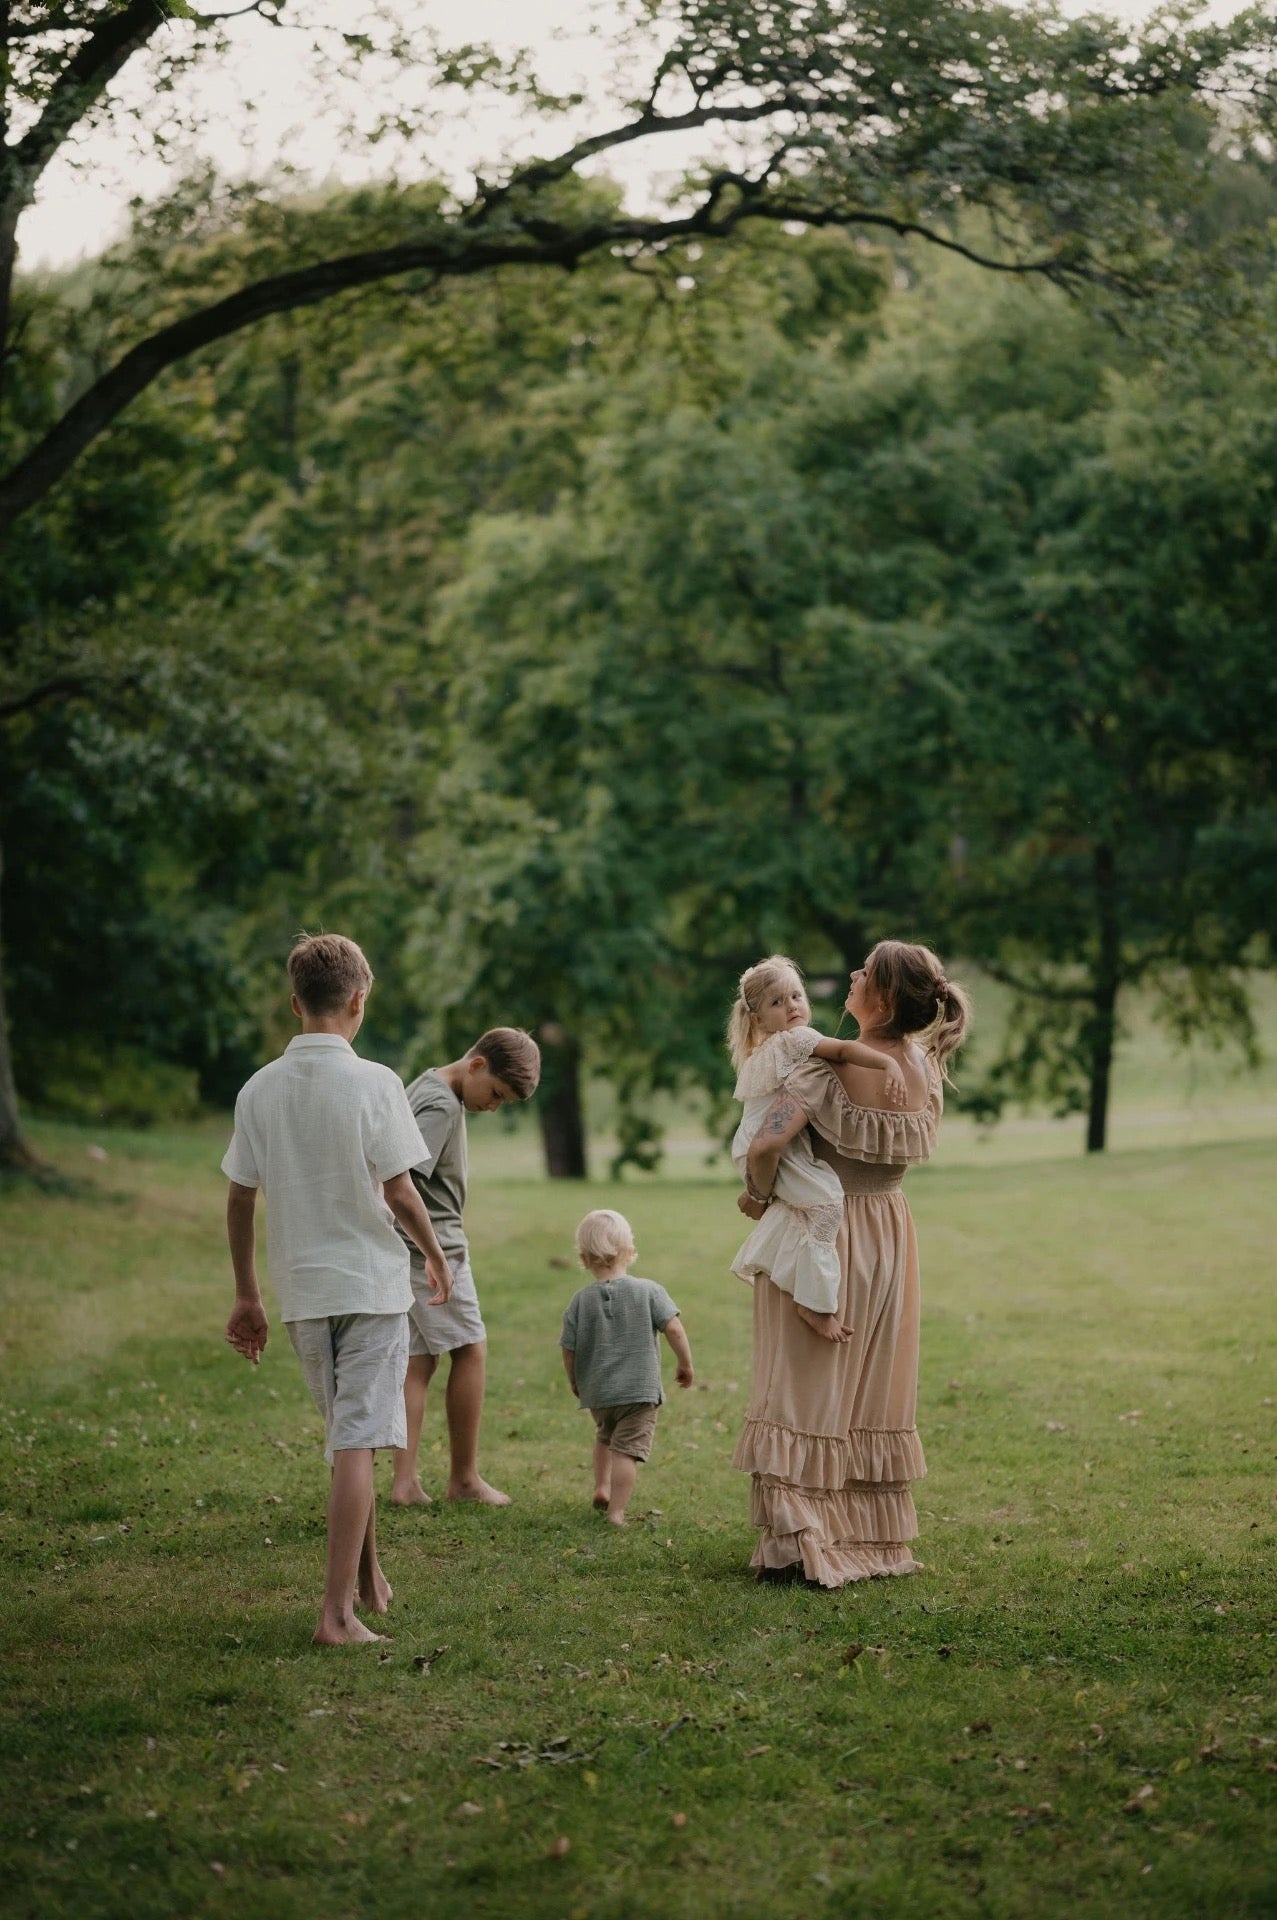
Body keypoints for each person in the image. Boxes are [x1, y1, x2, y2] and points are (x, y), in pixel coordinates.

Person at [222, 933, 454, 1647]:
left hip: (302, 1292)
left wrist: (247, 1296)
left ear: (294, 1004)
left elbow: (239, 1199)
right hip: (374, 1286)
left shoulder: (259, 1088)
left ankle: (366, 1577)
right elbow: (401, 1190)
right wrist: (435, 1253)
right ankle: (334, 1617)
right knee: (358, 1439)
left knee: (350, 1437)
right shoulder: (377, 1082)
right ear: (359, 1001)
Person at [732, 940, 971, 1587]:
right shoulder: (922, 1068)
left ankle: (800, 1538)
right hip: (889, 1236)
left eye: (865, 971)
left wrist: (756, 1196)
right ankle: (865, 1537)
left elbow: (767, 1142)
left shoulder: (821, 1065)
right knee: (866, 1388)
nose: (853, 974)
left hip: (823, 1235)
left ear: (884, 998)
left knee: (804, 1384)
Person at [389, 1028, 541, 1510]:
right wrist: (436, 1255)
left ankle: (405, 1483)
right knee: (471, 1349)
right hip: (434, 1250)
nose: (494, 1106)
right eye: (496, 1093)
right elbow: (403, 1183)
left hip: (413, 1250)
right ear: (476, 1064)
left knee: (420, 1361)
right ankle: (464, 1478)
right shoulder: (440, 1105)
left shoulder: (429, 1086)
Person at [727, 954, 906, 1337]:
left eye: (796, 996)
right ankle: (815, 1303)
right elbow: (842, 1051)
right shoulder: (796, 1039)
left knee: (802, 1207)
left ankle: (787, 1271)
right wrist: (886, 1065)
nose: (791, 1006)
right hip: (773, 1147)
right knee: (826, 1204)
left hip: (759, 1145)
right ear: (758, 1019)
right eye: (777, 1003)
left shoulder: (767, 1047)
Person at [560, 1208, 694, 1526]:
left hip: (599, 1391)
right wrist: (685, 1363)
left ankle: (601, 1488)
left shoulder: (579, 1301)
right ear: (629, 1251)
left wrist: (575, 1380)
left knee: (605, 1436)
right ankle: (617, 1511)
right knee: (627, 1450)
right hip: (639, 1390)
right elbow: (674, 1328)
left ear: (584, 1257)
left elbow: (568, 1348)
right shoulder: (648, 1291)